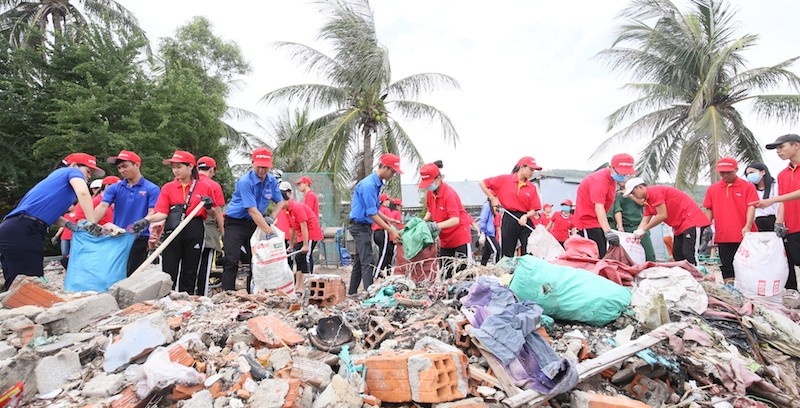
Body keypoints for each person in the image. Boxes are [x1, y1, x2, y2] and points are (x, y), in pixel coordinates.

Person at [1, 153, 103, 291]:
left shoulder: (56, 183)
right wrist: (92, 223)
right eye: (88, 171)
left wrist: (70, 225)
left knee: (17, 282)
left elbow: (49, 214)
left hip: (18, 228)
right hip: (24, 229)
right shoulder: (71, 171)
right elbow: (84, 193)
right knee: (29, 284)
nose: (89, 176)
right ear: (74, 165)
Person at [132, 151, 219, 295]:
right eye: (173, 167)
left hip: (194, 227)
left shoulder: (204, 186)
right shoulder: (168, 188)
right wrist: (146, 220)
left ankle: (187, 298)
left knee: (190, 269)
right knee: (169, 268)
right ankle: (167, 297)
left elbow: (212, 213)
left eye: (179, 167)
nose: (175, 171)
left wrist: (209, 206)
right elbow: (162, 213)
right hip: (173, 229)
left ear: (190, 166)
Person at [222, 147, 286, 292]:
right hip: (235, 223)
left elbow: (280, 202)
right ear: (252, 163)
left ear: (271, 166)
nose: (262, 170)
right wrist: (269, 231)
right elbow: (252, 210)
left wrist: (272, 217)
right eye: (259, 166)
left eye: (265, 167)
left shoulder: (271, 181)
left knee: (257, 260)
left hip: (255, 224)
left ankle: (254, 292)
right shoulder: (245, 181)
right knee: (232, 259)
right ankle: (228, 293)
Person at [95, 150, 160, 276]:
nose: (122, 170)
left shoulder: (151, 188)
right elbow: (103, 205)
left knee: (132, 273)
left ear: (137, 165)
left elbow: (152, 212)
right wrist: (90, 222)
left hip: (139, 237)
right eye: (119, 167)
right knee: (114, 271)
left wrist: (145, 225)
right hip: (117, 235)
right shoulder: (115, 187)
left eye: (125, 166)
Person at [348, 153, 402, 295]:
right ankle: (370, 293)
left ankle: (352, 292)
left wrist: (388, 219)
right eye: (392, 171)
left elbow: (375, 209)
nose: (393, 175)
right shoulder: (369, 185)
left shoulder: (375, 183)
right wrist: (391, 230)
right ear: (384, 167)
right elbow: (371, 213)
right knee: (368, 261)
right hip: (359, 226)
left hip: (363, 226)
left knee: (360, 262)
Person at [751, 134, 800, 292]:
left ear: (796, 145)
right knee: (795, 260)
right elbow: (783, 202)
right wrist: (779, 222)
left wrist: (772, 199)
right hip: (793, 225)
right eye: (776, 149)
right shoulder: (782, 175)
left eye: (781, 147)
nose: (778, 151)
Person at [624, 178, 711, 265]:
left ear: (640, 187)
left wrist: (644, 230)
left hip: (691, 220)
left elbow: (662, 215)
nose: (633, 196)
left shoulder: (654, 192)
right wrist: (637, 234)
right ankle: (685, 276)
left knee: (689, 253)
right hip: (678, 226)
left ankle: (697, 274)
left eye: (633, 192)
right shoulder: (648, 202)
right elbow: (645, 220)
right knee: (677, 254)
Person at [702, 158, 758, 284]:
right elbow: (709, 209)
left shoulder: (747, 186)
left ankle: (747, 287)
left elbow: (751, 206)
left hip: (744, 234)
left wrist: (748, 225)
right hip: (723, 234)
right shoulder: (713, 189)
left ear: (736, 170)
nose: (725, 175)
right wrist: (706, 226)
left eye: (729, 172)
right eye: (722, 173)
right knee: (726, 264)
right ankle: (730, 288)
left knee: (747, 264)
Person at [479, 156, 543, 258]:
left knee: (530, 249)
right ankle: (506, 272)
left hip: (524, 218)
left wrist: (526, 216)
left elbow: (534, 209)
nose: (532, 172)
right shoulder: (505, 179)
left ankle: (527, 270)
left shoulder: (531, 187)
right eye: (531, 169)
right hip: (509, 217)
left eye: (534, 170)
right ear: (522, 167)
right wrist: (492, 198)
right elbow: (482, 183)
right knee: (507, 252)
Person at [574, 154, 636, 258]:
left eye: (627, 174)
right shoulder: (600, 181)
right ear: (611, 167)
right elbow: (599, 207)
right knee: (595, 256)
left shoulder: (612, 180)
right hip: (587, 223)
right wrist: (608, 231)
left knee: (602, 255)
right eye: (621, 173)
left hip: (597, 222)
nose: (624, 177)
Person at [420, 161, 473, 278]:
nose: (428, 186)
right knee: (445, 272)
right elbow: (430, 210)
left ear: (438, 178)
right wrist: (422, 222)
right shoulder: (430, 193)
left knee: (462, 272)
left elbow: (455, 220)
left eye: (430, 182)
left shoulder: (449, 194)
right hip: (445, 238)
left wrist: (435, 226)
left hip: (459, 235)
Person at [196, 156, 225, 294]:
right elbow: (218, 212)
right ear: (212, 170)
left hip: (187, 226)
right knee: (205, 263)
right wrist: (223, 231)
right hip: (207, 227)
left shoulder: (191, 182)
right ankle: (202, 294)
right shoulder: (213, 185)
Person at [609, 193, 656, 262]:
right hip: (625, 228)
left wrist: (632, 196)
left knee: (649, 253)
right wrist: (620, 226)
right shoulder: (617, 195)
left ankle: (652, 269)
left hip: (639, 225)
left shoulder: (637, 192)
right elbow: (617, 210)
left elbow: (644, 203)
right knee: (627, 255)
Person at [744, 163, 778, 232]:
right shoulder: (749, 189)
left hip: (774, 219)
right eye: (747, 174)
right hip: (757, 221)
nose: (749, 175)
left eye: (751, 172)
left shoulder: (775, 186)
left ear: (763, 172)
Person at [372, 194, 400, 277]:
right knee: (384, 253)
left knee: (385, 252)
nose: (389, 202)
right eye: (387, 200)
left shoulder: (377, 210)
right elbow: (390, 223)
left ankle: (380, 272)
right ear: (383, 201)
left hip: (375, 233)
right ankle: (377, 273)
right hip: (383, 232)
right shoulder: (386, 210)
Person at [477, 199, 500, 265]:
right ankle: (497, 268)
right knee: (496, 250)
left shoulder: (495, 207)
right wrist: (482, 232)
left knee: (487, 253)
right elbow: (483, 219)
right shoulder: (487, 205)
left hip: (493, 232)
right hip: (488, 233)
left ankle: (482, 266)